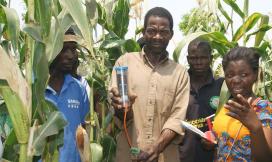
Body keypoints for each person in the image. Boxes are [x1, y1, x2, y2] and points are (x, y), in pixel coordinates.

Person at [109, 7, 190, 162]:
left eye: (164, 32)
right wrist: (122, 109)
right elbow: (117, 109)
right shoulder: (124, 62)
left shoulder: (180, 73)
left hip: (165, 156)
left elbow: (177, 118)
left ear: (171, 34)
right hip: (128, 154)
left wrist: (157, 148)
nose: (157, 36)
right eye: (152, 31)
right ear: (144, 33)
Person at [211, 47, 272, 162]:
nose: (236, 80)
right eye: (230, 75)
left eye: (243, 75)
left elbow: (266, 159)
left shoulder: (265, 109)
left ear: (255, 75)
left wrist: (255, 127)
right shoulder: (226, 106)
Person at [45, 31, 90, 162]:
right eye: (64, 49)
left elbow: (82, 131)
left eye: (73, 49)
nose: (71, 56)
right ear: (51, 50)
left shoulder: (78, 88)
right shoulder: (34, 88)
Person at [179, 38, 223, 162]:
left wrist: (216, 138)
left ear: (211, 58)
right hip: (182, 156)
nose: (198, 62)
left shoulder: (222, 87)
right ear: (188, 59)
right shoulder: (179, 85)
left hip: (212, 157)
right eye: (193, 58)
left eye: (203, 57)